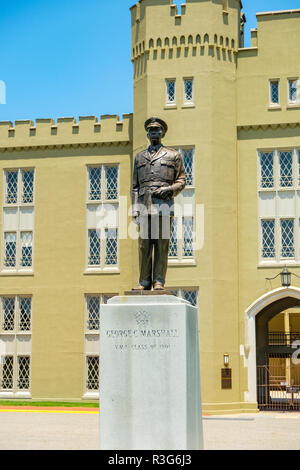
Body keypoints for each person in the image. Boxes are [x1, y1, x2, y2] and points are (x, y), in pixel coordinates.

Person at [132, 117, 186, 291]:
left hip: (163, 205)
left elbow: (182, 180)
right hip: (144, 205)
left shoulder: (173, 155)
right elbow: (135, 186)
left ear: (162, 133)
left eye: (157, 130)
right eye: (151, 130)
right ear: (147, 133)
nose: (154, 132)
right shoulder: (139, 157)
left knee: (161, 245)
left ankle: (159, 281)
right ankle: (144, 281)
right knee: (144, 245)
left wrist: (169, 189)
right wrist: (135, 208)